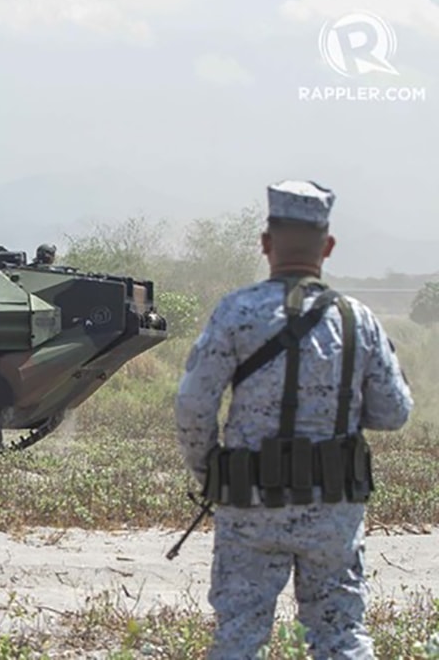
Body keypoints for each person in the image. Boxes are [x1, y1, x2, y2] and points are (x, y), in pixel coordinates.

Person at [174, 179, 413, 659]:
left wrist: (211, 473)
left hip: (250, 504)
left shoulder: (236, 311)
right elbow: (394, 412)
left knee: (239, 634)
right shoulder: (356, 319)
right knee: (340, 635)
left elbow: (193, 405)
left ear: (266, 243)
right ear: (328, 246)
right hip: (332, 509)